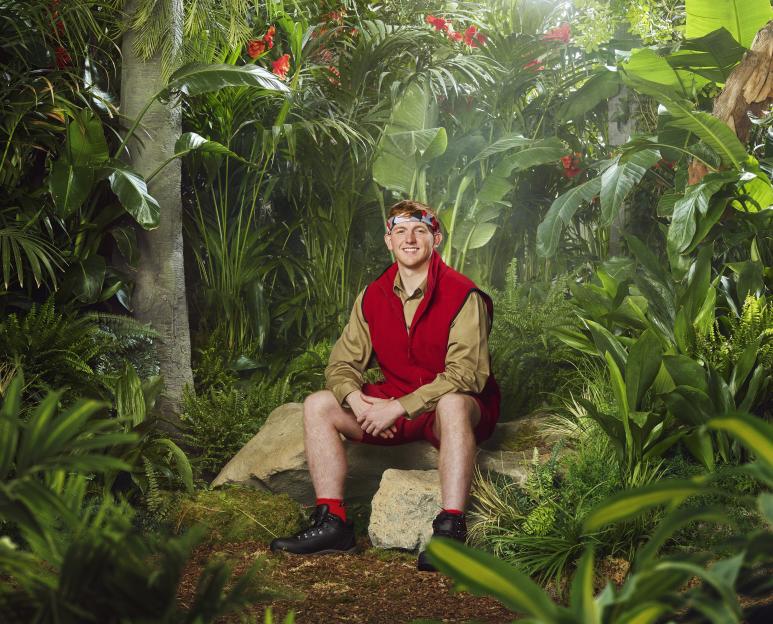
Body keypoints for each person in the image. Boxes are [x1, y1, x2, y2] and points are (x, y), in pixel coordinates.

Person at [270, 200, 500, 571]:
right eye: (400, 231)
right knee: (319, 404)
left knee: (454, 403)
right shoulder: (373, 295)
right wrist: (358, 403)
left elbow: (467, 376)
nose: (410, 239)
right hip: (399, 403)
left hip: (451, 408)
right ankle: (333, 522)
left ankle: (451, 531)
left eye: (420, 231)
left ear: (435, 238)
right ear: (388, 241)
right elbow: (341, 363)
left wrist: (398, 407)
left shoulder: (463, 294)